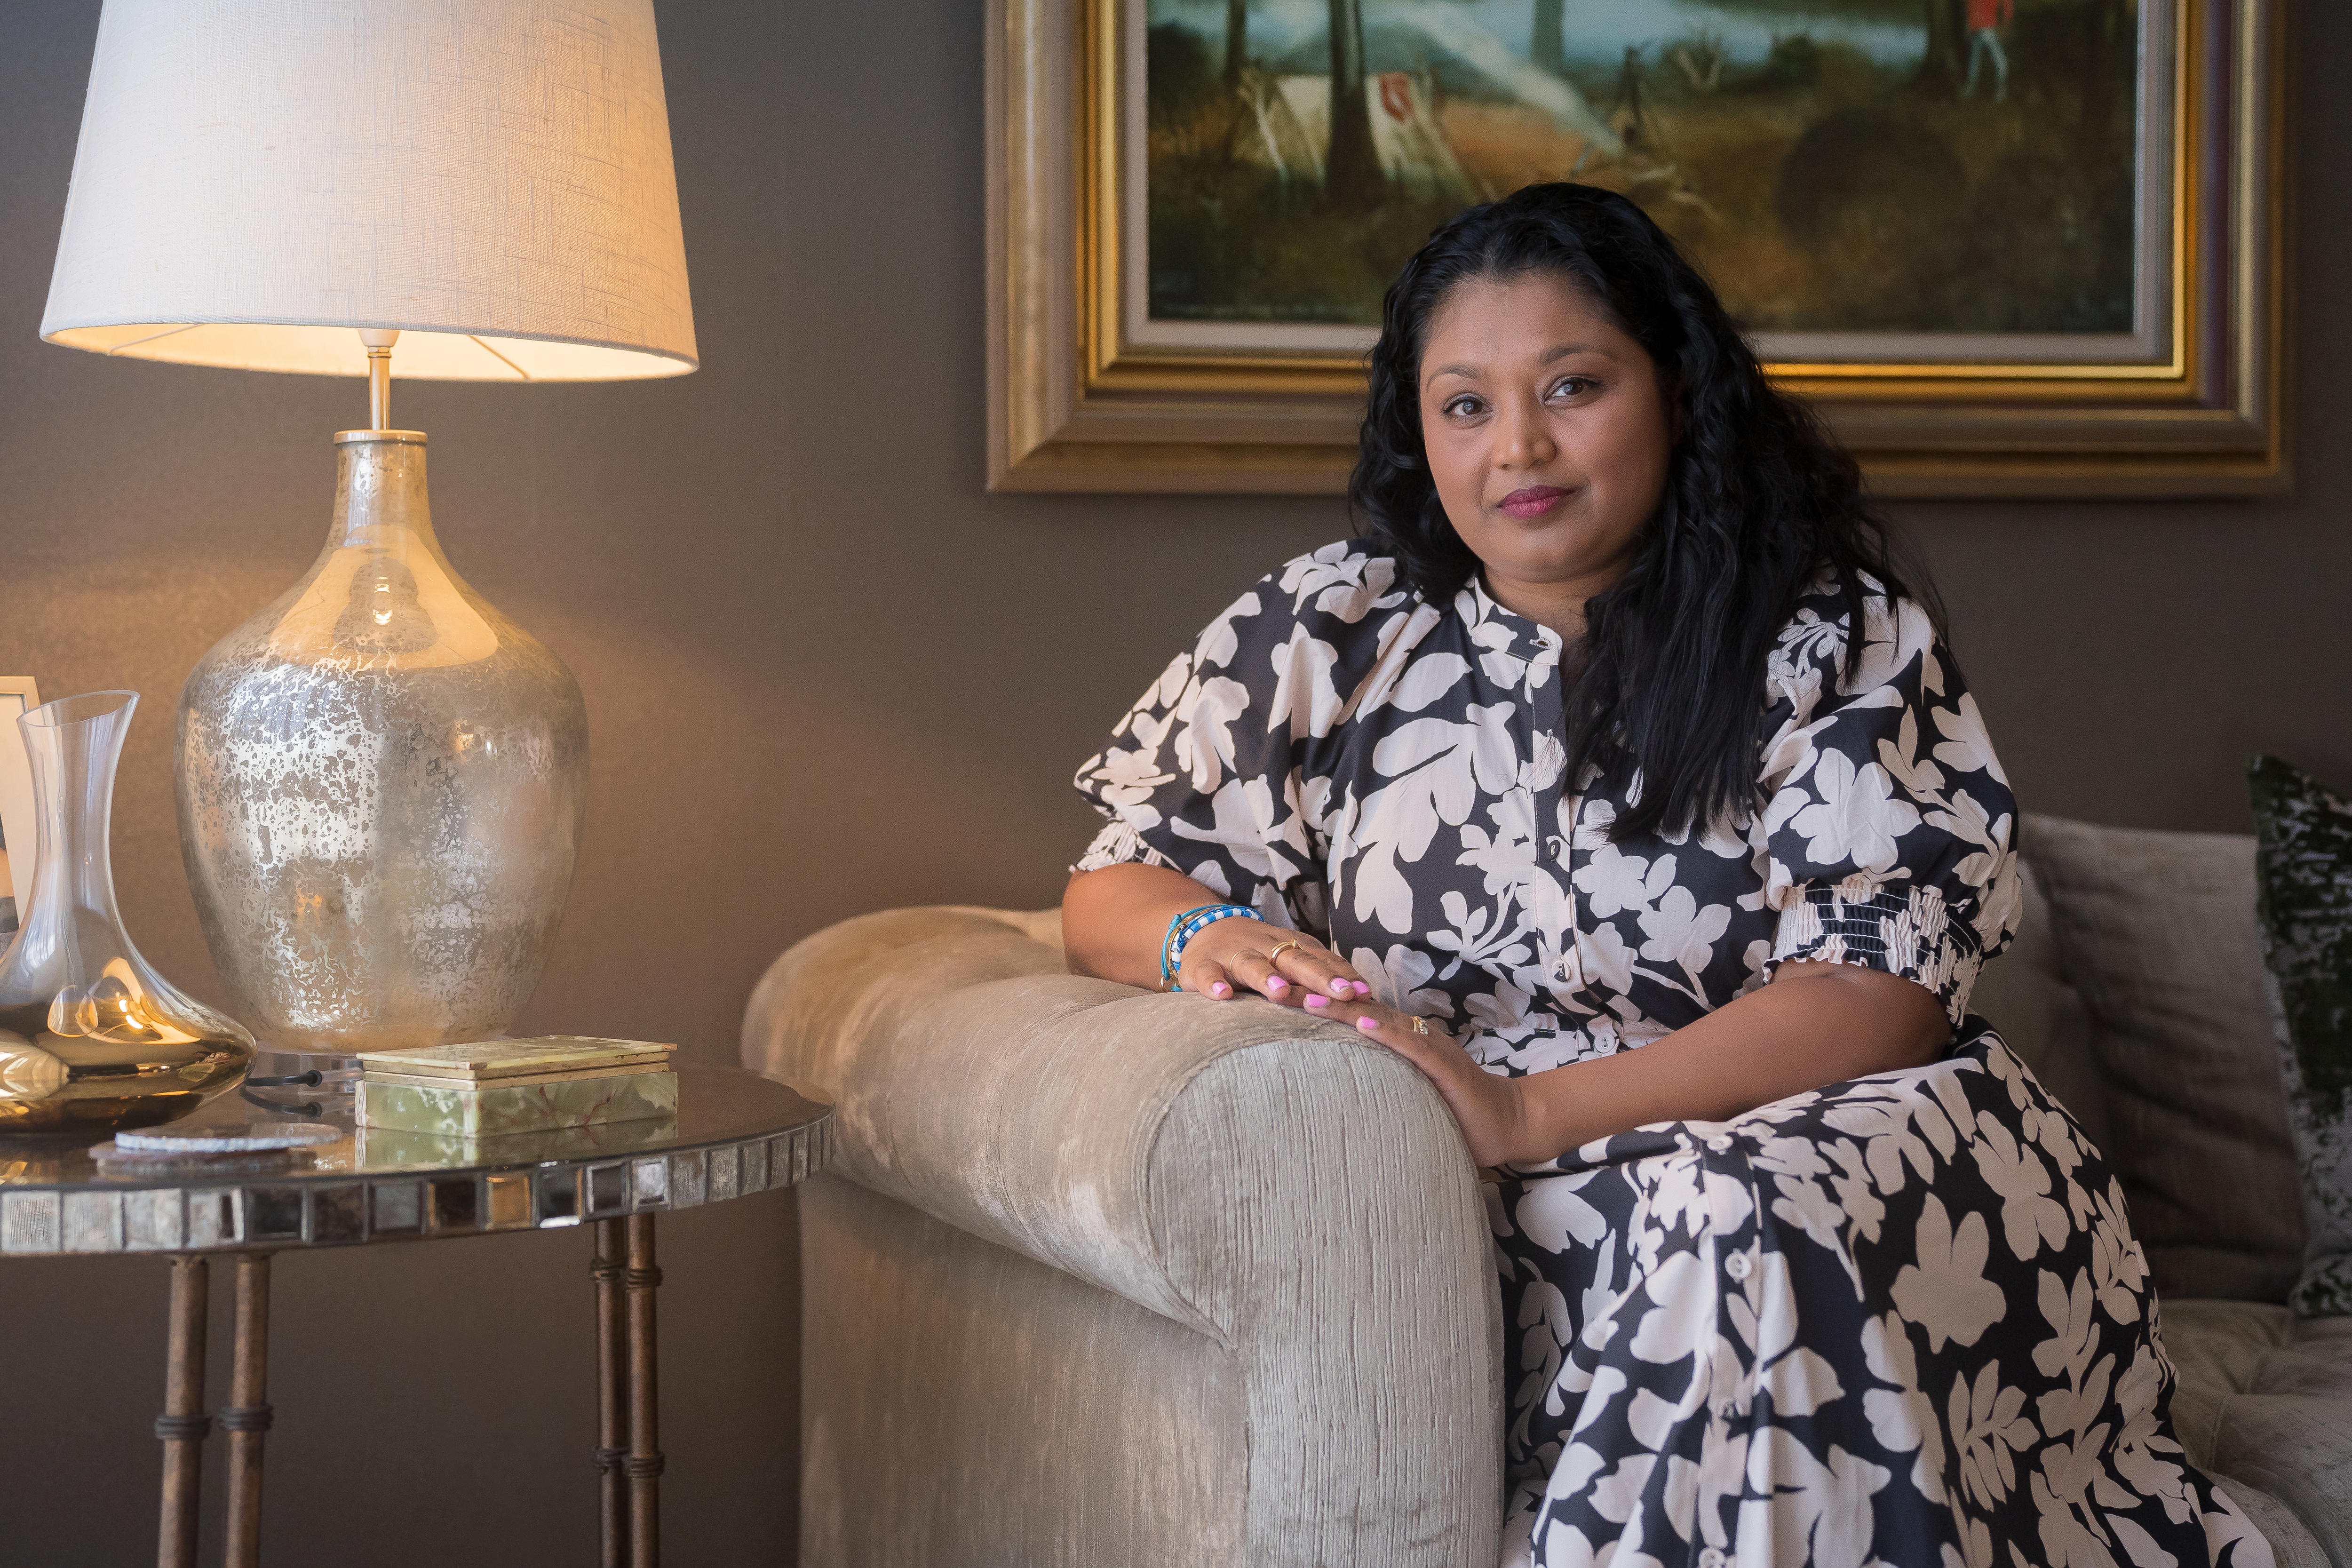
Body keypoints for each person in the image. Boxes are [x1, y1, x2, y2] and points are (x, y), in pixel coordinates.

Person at [1062, 183, 2268, 1568]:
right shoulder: (1325, 629)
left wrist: (1526, 1111)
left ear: (1676, 391)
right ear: (1418, 429)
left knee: (1720, 1207)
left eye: (1572, 385)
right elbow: (1116, 880)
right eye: (1463, 404)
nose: (1517, 445)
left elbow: (1880, 990)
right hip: (1509, 1183)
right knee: (1681, 1215)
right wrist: (1206, 932)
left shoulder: (1829, 635)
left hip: (1858, 1151)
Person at [1963, 0, 2013, 103]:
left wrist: (2006, 22)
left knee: (1998, 58)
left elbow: (2007, 4)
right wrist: (1969, 26)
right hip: (1976, 28)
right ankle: (1971, 87)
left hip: (1986, 27)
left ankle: (2001, 89)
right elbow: (1971, 6)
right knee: (1975, 58)